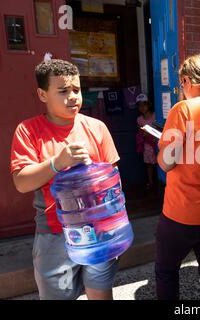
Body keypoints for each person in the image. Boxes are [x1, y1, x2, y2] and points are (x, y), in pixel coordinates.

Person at [10, 59, 120, 300]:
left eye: (77, 90)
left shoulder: (97, 127)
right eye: (63, 91)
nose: (72, 97)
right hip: (54, 233)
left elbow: (114, 180)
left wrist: (113, 224)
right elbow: (21, 182)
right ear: (42, 94)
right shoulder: (28, 130)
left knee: (100, 293)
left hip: (98, 230)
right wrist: (56, 163)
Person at [155, 54, 200, 300]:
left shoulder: (183, 108)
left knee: (166, 271)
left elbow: (166, 162)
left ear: (186, 80)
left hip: (181, 211)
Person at [135, 93, 157, 190]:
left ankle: (160, 181)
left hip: (156, 142)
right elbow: (140, 132)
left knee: (160, 161)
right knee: (149, 164)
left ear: (149, 104)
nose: (142, 107)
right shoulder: (139, 120)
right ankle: (151, 182)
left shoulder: (155, 116)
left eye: (144, 104)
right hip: (147, 145)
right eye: (139, 105)